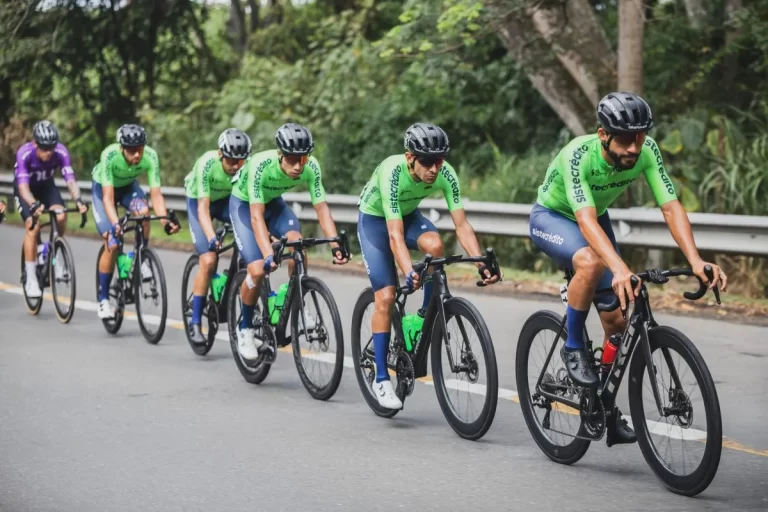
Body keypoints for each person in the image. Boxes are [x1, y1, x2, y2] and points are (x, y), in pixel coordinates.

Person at [529, 91, 727, 446]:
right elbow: (584, 219)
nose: (634, 148)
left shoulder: (646, 151)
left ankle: (601, 405)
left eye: (640, 136)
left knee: (616, 324)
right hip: (555, 218)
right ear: (603, 134)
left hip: (595, 217)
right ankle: (573, 346)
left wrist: (696, 260)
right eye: (625, 139)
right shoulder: (577, 155)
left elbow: (670, 207)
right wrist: (619, 267)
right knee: (590, 262)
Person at [356, 122, 502, 410]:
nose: (434, 169)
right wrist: (409, 270)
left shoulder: (445, 173)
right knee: (385, 296)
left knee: (436, 247)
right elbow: (394, 235)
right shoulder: (392, 172)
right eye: (427, 162)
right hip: (375, 221)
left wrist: (479, 263)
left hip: (408, 216)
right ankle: (382, 379)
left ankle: (422, 317)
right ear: (410, 157)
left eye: (440, 160)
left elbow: (461, 225)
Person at [229, 122, 349, 361]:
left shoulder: (310, 166)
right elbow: (255, 217)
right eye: (292, 159)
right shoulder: (260, 166)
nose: (297, 166)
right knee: (256, 269)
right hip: (244, 205)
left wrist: (336, 245)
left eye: (302, 159)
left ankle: (297, 303)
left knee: (298, 244)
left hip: (274, 204)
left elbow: (322, 208)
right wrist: (268, 253)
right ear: (280, 155)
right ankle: (245, 329)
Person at [91, 124, 180, 319]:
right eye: (132, 151)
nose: (137, 155)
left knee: (143, 212)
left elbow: (156, 195)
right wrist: (115, 224)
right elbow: (107, 198)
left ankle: (142, 257)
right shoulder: (109, 155)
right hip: (103, 190)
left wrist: (165, 220)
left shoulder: (150, 156)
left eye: (140, 149)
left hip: (127, 187)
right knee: (113, 243)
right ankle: (104, 300)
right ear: (122, 148)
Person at [184, 128, 251, 344]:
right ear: (221, 154)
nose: (235, 166)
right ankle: (195, 321)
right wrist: (212, 236)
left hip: (224, 201)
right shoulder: (207, 164)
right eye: (231, 160)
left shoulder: (245, 167)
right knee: (209, 258)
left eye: (240, 161)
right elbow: (204, 210)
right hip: (200, 203)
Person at [13, 120, 88, 298]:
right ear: (35, 144)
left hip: (47, 187)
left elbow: (70, 179)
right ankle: (30, 277)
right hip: (26, 189)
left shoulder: (61, 152)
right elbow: (23, 188)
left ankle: (54, 252)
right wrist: (32, 204)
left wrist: (77, 199)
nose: (48, 152)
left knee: (60, 216)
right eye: (44, 148)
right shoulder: (25, 154)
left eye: (51, 148)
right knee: (33, 225)